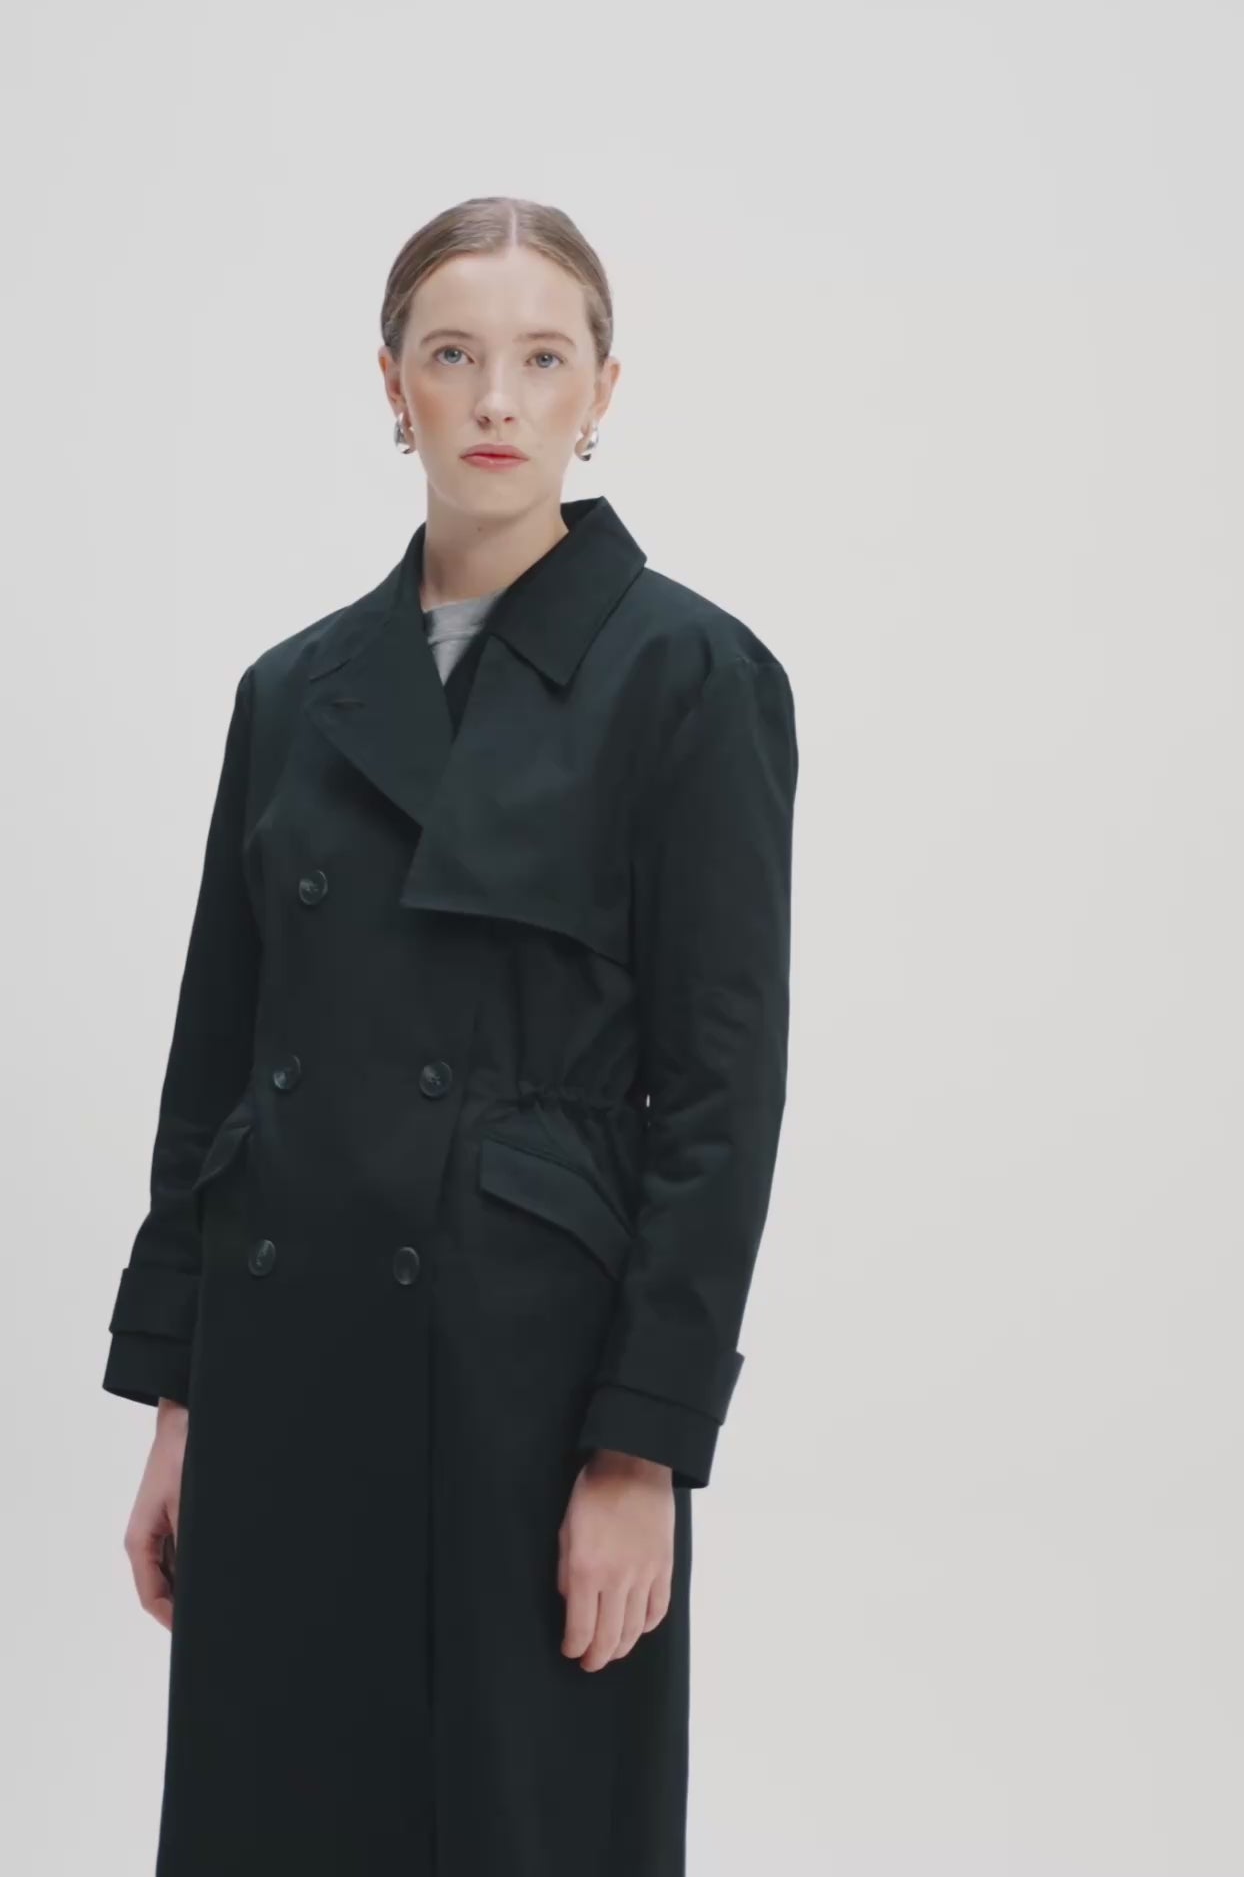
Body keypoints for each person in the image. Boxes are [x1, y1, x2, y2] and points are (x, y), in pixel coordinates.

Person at [103, 194, 799, 1877]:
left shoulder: (690, 677)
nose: (496, 399)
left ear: (602, 391)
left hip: (528, 1390)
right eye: (453, 355)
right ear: (391, 384)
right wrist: (181, 1400)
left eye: (543, 359)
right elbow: (216, 1064)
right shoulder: (293, 692)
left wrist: (644, 1450)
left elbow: (722, 1102)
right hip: (286, 1372)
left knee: (518, 1828)